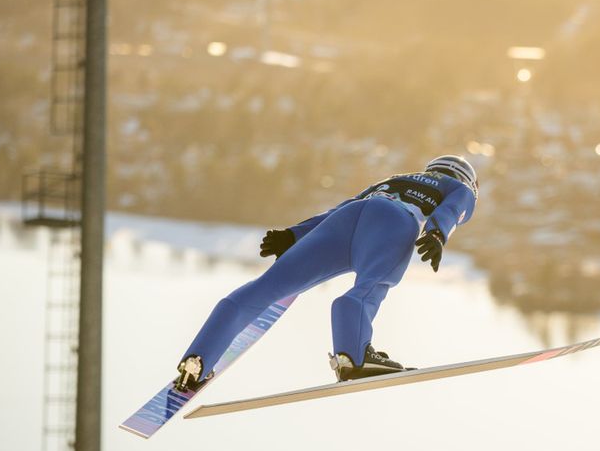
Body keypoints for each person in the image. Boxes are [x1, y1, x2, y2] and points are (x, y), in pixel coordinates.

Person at [173, 155, 478, 389]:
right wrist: (437, 233)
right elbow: (452, 210)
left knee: (263, 289)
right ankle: (352, 358)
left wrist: (293, 235)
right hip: (394, 221)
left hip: (347, 219)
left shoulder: (395, 179)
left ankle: (198, 359)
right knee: (370, 287)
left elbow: (342, 208)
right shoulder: (460, 187)